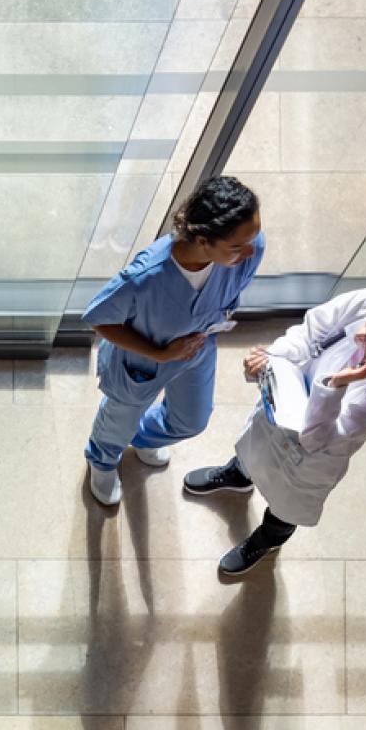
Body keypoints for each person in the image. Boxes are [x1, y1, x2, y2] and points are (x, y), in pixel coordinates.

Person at [183, 289, 366, 578]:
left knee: (288, 503)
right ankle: (239, 474)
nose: (359, 335)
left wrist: (336, 384)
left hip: (315, 454)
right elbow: (310, 332)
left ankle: (268, 540)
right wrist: (272, 358)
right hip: (289, 398)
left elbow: (316, 438)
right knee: (254, 446)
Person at [81, 175, 265, 508]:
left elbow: (231, 289)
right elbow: (99, 318)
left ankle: (140, 437)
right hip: (141, 362)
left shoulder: (249, 251)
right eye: (237, 246)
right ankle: (103, 459)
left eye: (252, 238)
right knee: (118, 419)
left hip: (197, 350)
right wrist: (158, 352)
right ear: (202, 239)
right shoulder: (146, 277)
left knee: (190, 420)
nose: (251, 251)